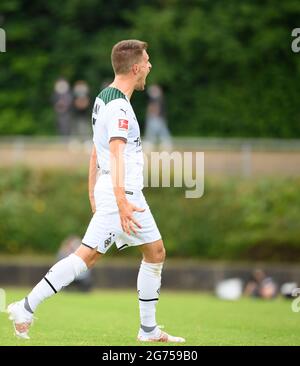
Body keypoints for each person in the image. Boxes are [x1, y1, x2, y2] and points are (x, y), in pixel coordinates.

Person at [7, 40, 185, 343]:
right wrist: (119, 201)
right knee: (85, 257)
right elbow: (114, 154)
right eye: (148, 61)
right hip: (123, 195)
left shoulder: (105, 97)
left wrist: (94, 193)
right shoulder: (118, 107)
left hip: (120, 193)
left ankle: (149, 330)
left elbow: (96, 151)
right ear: (136, 67)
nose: (151, 66)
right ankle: (25, 307)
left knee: (154, 253)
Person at [144, 84, 172, 152]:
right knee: (163, 132)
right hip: (160, 118)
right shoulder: (159, 98)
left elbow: (155, 108)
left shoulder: (156, 99)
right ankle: (167, 145)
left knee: (152, 133)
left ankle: (149, 145)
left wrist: (152, 115)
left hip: (156, 118)